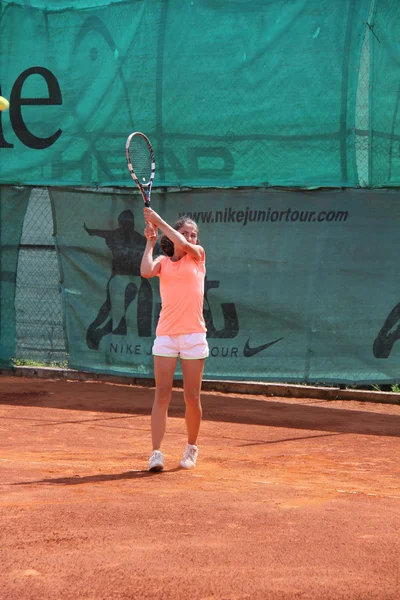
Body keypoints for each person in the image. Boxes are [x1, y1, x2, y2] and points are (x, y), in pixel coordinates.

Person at [140, 207, 209, 471]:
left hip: (193, 336)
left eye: (194, 235)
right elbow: (146, 271)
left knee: (192, 397)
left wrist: (158, 221)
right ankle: (156, 453)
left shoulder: (198, 257)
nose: (191, 238)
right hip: (166, 336)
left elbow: (181, 244)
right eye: (186, 234)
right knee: (162, 396)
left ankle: (191, 447)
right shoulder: (163, 262)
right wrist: (149, 241)